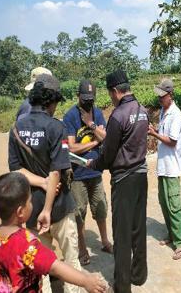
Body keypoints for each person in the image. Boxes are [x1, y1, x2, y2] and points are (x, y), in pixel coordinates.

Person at [8, 73, 82, 293]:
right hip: (58, 207)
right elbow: (57, 172)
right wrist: (48, 208)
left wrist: (40, 182)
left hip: (30, 208)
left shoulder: (16, 128)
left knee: (39, 267)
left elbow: (16, 169)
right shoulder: (55, 127)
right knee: (71, 262)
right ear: (51, 101)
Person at [0, 172, 108, 293]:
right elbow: (55, 268)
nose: (31, 204)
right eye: (30, 201)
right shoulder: (27, 245)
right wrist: (86, 281)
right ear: (20, 212)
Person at [87, 70, 149, 293]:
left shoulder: (118, 115)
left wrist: (93, 164)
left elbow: (109, 153)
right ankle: (139, 275)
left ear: (114, 91)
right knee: (138, 227)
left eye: (110, 94)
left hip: (123, 180)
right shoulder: (143, 111)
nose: (111, 98)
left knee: (121, 235)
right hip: (141, 177)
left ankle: (123, 286)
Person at [63, 79, 113, 266]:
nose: (88, 102)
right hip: (78, 175)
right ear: (78, 96)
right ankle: (83, 248)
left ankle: (105, 241)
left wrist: (90, 124)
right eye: (85, 99)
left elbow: (106, 138)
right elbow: (70, 148)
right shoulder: (69, 116)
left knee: (101, 209)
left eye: (90, 99)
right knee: (79, 213)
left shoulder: (97, 114)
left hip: (96, 173)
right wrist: (93, 142)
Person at [148, 78, 181, 260]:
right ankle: (172, 234)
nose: (160, 99)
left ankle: (180, 243)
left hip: (172, 167)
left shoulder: (175, 114)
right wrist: (156, 130)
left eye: (162, 96)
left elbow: (172, 141)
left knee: (174, 205)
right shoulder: (164, 112)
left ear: (170, 95)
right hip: (163, 166)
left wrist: (155, 134)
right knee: (164, 202)